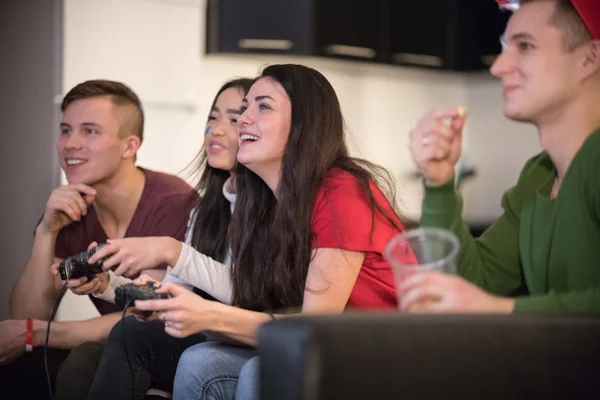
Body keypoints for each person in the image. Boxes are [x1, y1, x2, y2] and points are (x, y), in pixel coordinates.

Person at [131, 64, 412, 400]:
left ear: (303, 126)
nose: (244, 118)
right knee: (200, 359)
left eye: (262, 106)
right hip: (334, 351)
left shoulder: (342, 191)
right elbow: (267, 314)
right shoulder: (269, 203)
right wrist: (181, 309)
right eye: (246, 106)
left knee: (259, 371)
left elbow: (310, 329)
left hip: (386, 358)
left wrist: (207, 315)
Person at [0, 80, 197, 399]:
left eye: (89, 131)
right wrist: (46, 232)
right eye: (65, 130)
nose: (70, 144)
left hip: (166, 351)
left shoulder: (173, 202)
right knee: (20, 366)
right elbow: (27, 315)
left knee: (77, 362)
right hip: (114, 352)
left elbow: (147, 316)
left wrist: (32, 334)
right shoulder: (69, 209)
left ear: (129, 146)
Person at [400, 0, 600, 314]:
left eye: (525, 46)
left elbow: (485, 301)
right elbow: (473, 283)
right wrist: (439, 181)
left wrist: (499, 308)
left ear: (589, 58)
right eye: (505, 46)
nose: (498, 66)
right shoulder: (539, 175)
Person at [76, 77, 255, 400]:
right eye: (212, 118)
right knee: (85, 359)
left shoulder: (272, 209)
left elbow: (252, 292)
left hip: (238, 338)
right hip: (204, 333)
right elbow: (175, 291)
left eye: (232, 119)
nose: (216, 129)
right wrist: (109, 284)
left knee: (131, 334)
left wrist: (174, 251)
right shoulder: (206, 212)